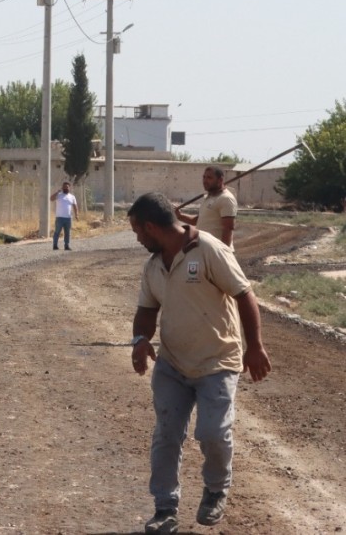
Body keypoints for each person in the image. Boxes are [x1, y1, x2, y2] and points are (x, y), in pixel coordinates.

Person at [127, 192, 271, 533]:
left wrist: (255, 346)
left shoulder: (208, 250)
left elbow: (244, 295)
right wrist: (139, 340)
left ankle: (216, 489)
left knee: (213, 434)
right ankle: (165, 508)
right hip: (173, 364)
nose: (137, 238)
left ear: (150, 226)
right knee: (166, 435)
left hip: (217, 361)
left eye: (136, 231)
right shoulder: (153, 265)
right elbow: (147, 311)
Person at [176, 165, 237, 248]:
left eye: (209, 178)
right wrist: (180, 216)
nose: (205, 180)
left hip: (216, 251)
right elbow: (198, 220)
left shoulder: (226, 198)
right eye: (204, 177)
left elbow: (228, 228)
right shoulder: (209, 197)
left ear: (220, 180)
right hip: (205, 249)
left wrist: (223, 252)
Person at [50, 181, 78, 250]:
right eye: (64, 187)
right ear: (62, 188)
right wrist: (57, 192)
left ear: (69, 188)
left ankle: (66, 246)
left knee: (67, 233)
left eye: (67, 187)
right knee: (57, 232)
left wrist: (76, 215)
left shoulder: (72, 197)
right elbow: (51, 199)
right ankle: (55, 245)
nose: (65, 188)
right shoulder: (59, 195)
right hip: (59, 217)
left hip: (68, 218)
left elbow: (75, 206)